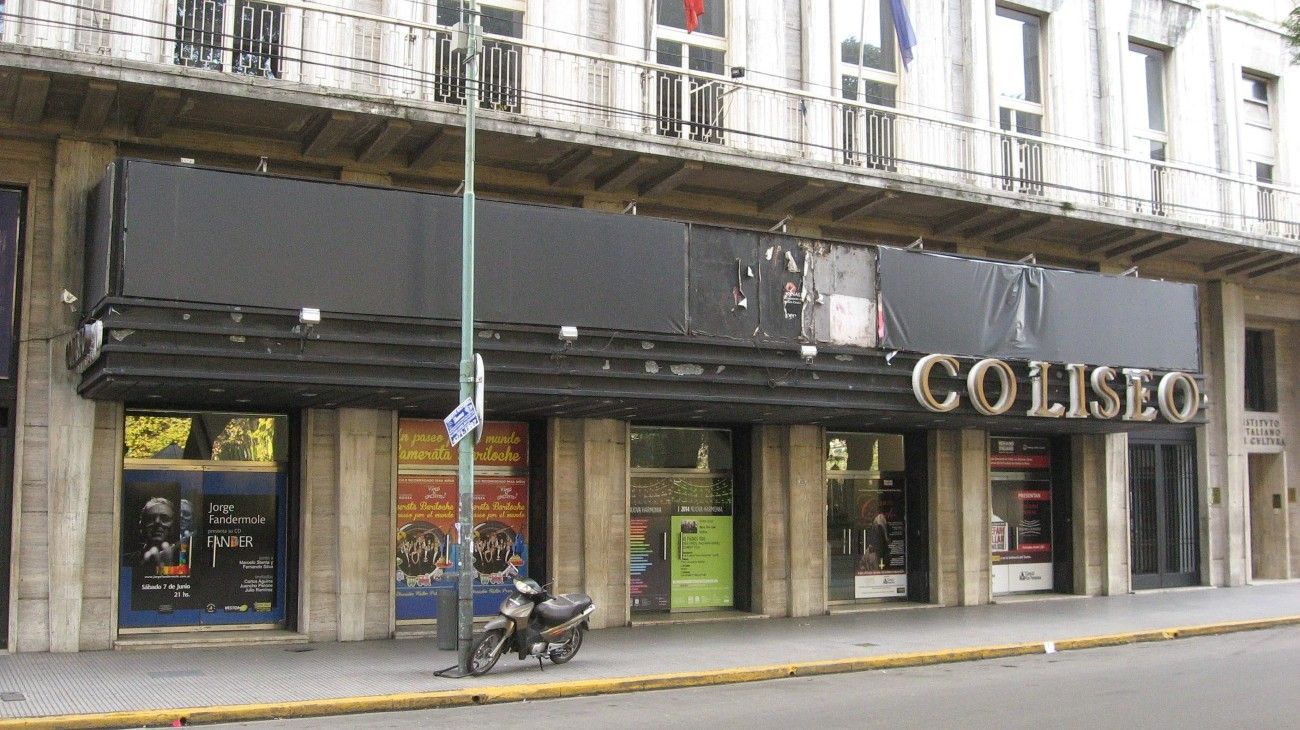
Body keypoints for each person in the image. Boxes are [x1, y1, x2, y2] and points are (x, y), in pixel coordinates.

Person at [136, 497, 180, 574]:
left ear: (174, 526)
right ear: (141, 525)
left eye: (165, 519)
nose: (157, 522)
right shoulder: (126, 560)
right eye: (150, 518)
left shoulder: (184, 561)